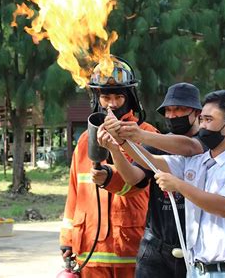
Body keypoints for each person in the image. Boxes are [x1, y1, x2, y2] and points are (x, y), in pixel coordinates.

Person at [105, 89, 225, 277]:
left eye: (209, 120)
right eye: (202, 119)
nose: (202, 125)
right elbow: (152, 161)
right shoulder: (196, 161)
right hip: (196, 270)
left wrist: (178, 185)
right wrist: (121, 142)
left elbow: (224, 206)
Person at [59, 56, 157, 278]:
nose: (111, 104)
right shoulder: (85, 140)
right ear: (97, 99)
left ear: (130, 99)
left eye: (118, 97)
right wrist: (67, 239)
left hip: (131, 251)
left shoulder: (148, 135)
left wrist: (110, 176)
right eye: (105, 97)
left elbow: (139, 185)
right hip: (90, 253)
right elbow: (74, 193)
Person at [97, 82, 205, 278]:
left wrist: (138, 134)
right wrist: (116, 147)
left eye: (180, 109)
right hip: (156, 248)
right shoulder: (159, 143)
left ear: (197, 112)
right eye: (169, 110)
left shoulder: (207, 142)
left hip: (197, 249)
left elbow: (188, 147)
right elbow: (133, 177)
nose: (173, 115)